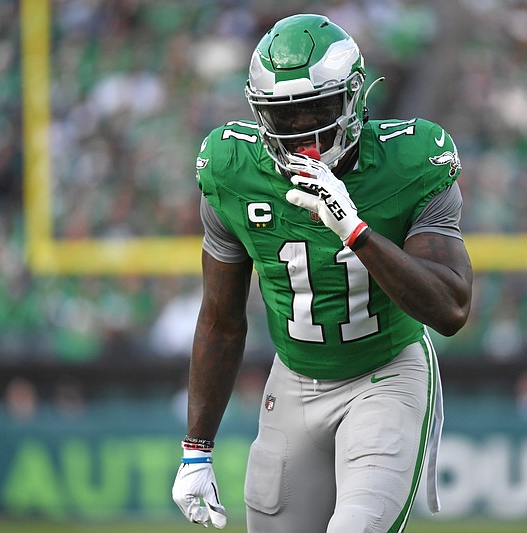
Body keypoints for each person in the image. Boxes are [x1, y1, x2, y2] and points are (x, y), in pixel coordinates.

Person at [172, 13, 472, 532]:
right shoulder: (231, 168)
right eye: (283, 115)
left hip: (386, 375)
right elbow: (221, 319)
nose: (302, 130)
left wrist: (357, 232)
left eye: (316, 109)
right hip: (293, 384)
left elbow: (451, 308)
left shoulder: (411, 159)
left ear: (353, 100)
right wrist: (196, 448)